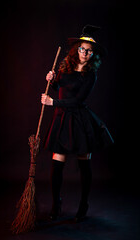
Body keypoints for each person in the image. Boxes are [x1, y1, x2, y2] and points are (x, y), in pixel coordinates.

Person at [41, 25, 114, 222]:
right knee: (57, 163)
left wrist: (52, 102)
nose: (85, 53)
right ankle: (57, 204)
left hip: (81, 120)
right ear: (77, 49)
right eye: (82, 49)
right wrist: (52, 80)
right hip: (62, 118)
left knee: (84, 164)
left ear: (93, 53)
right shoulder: (65, 66)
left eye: (89, 51)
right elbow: (60, 89)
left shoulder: (91, 75)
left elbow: (77, 100)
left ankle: (84, 204)